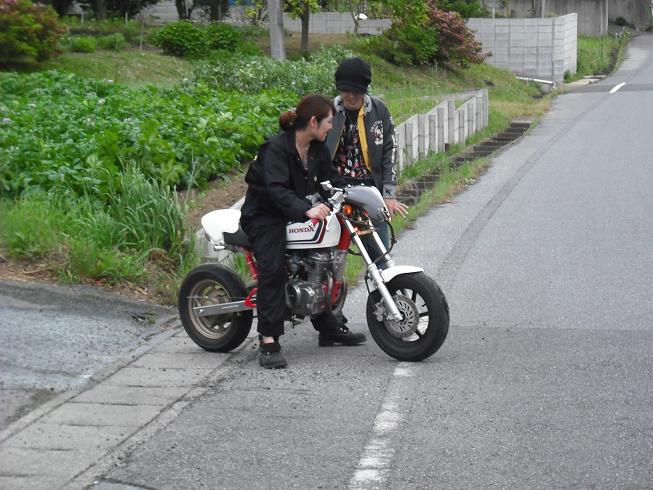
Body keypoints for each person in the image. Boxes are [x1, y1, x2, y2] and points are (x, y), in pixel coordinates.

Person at [240, 94, 366, 370]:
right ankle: (268, 340)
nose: (331, 127)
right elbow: (276, 189)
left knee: (321, 259)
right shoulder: (275, 149)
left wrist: (356, 194)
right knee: (273, 270)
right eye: (328, 122)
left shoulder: (316, 149)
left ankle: (327, 325)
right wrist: (306, 209)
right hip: (264, 216)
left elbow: (330, 179)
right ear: (313, 122)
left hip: (293, 211)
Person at [325, 57, 408, 265]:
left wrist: (389, 195)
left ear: (365, 90)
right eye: (346, 91)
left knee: (380, 256)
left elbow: (390, 152)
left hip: (370, 191)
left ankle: (384, 285)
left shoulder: (379, 111)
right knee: (328, 259)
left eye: (357, 91)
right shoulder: (328, 112)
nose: (351, 96)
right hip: (335, 191)